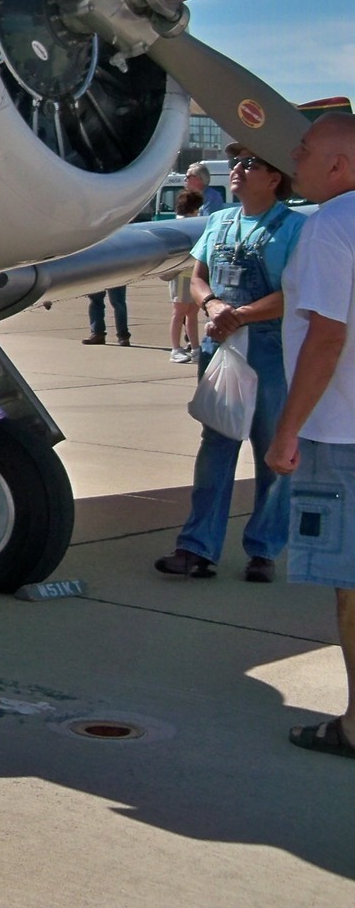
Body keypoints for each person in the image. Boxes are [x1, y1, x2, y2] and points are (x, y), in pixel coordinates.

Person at [156, 151, 304, 580]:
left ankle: (264, 550)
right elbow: (196, 275)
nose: (237, 170)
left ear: (275, 178)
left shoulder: (296, 229)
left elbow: (294, 291)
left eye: (251, 165)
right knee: (216, 444)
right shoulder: (218, 223)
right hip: (220, 344)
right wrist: (213, 304)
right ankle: (196, 547)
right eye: (237, 163)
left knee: (272, 450)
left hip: (268, 349)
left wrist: (240, 314)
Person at [266, 112, 355, 759]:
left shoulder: (329, 226)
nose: (291, 157)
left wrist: (286, 430)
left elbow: (326, 337)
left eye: (303, 150)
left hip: (341, 433)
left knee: (350, 589)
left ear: (338, 165)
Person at [168, 188, 206, 363]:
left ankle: (196, 348)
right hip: (181, 274)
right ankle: (175, 348)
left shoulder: (194, 222)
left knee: (192, 313)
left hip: (192, 274)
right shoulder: (181, 223)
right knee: (180, 312)